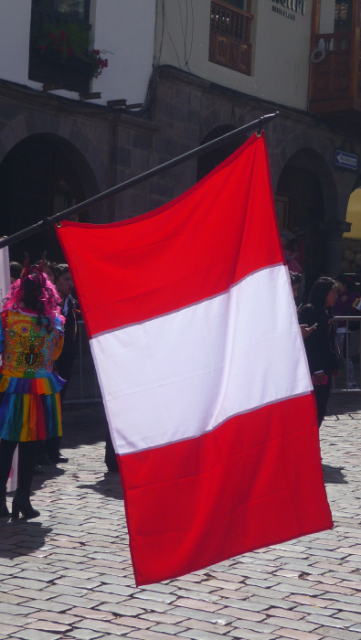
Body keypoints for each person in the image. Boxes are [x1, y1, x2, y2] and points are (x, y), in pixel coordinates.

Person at [0, 263, 64, 518]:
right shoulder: (54, 322)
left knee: (6, 444)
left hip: (11, 387)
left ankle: (1, 501)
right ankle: (23, 499)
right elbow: (56, 352)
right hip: (40, 389)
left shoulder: (7, 318)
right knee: (31, 445)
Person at [43, 264, 79, 464]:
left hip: (66, 359)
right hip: (48, 360)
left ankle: (53, 449)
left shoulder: (72, 303)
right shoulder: (47, 303)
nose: (70, 284)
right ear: (55, 281)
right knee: (45, 403)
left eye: (72, 280)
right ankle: (41, 450)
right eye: (66, 279)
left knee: (59, 404)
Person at [299, 277, 339, 428]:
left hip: (325, 367)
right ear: (323, 293)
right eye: (333, 292)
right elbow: (310, 343)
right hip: (315, 370)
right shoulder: (310, 311)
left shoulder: (327, 312)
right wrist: (318, 369)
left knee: (321, 406)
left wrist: (333, 364)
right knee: (316, 407)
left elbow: (330, 341)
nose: (336, 296)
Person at [334, 273, 360, 390]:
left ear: (344, 284)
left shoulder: (356, 296)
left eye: (338, 282)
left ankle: (351, 382)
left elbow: (357, 311)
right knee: (340, 354)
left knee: (345, 355)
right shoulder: (335, 295)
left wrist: (346, 303)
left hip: (347, 330)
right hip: (337, 329)